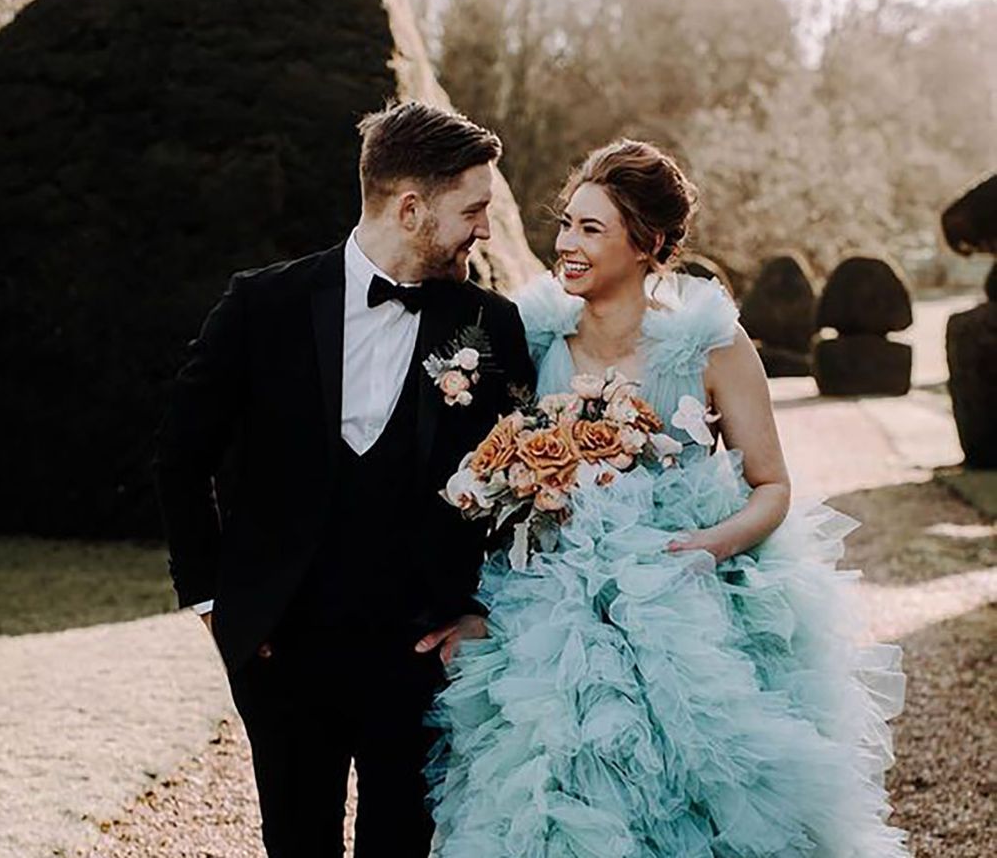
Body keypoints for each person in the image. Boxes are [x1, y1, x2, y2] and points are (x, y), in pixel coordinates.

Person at [428, 139, 909, 856]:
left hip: (688, 599)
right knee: (554, 792)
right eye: (566, 223)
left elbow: (772, 485)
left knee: (706, 795)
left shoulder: (710, 345)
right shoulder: (528, 338)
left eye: (591, 229)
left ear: (647, 242)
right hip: (552, 610)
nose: (567, 244)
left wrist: (714, 544)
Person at [154, 101, 535, 858]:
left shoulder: (492, 327)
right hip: (281, 651)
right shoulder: (262, 305)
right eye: (475, 209)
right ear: (410, 207)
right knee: (296, 843)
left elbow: (524, 482)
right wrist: (213, 601)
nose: (486, 230)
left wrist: (482, 611)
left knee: (402, 846)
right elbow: (179, 453)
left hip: (420, 654)